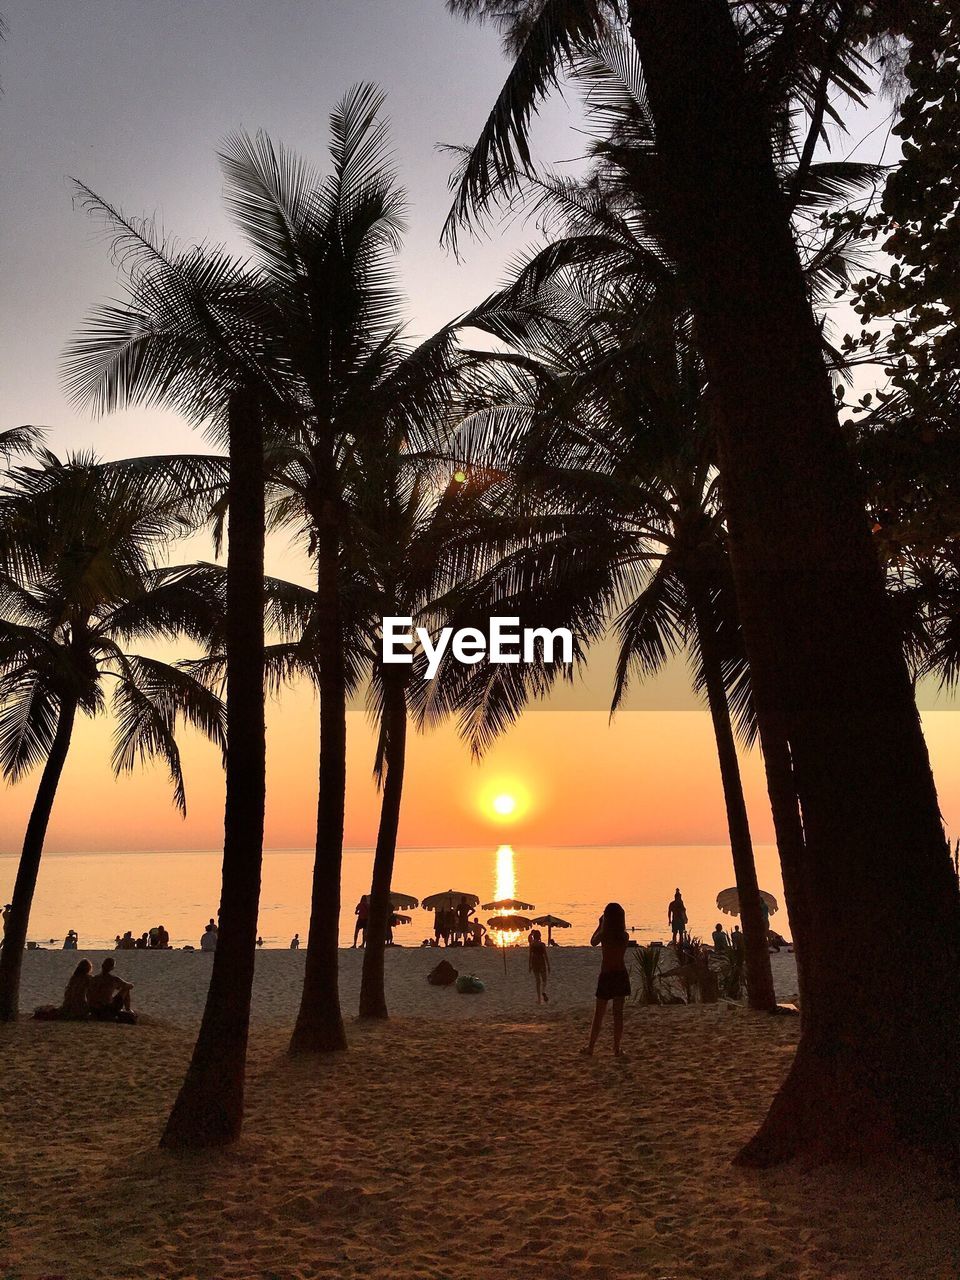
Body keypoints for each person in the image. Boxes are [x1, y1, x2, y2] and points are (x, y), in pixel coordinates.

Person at [584, 902, 636, 1057]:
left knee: (599, 1013)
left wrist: (600, 925)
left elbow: (592, 942)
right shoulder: (624, 936)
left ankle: (591, 1047)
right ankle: (616, 1048)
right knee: (617, 1014)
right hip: (620, 974)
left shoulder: (604, 935)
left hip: (607, 975)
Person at [528, 928, 550, 1004]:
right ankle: (543, 991)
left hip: (534, 962)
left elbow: (530, 956)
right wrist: (548, 965)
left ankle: (539, 1000)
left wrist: (529, 966)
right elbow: (545, 955)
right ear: (540, 936)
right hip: (541, 962)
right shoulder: (542, 945)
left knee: (538, 981)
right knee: (544, 980)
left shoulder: (532, 945)